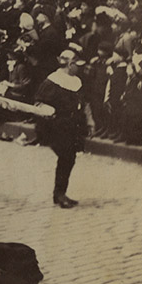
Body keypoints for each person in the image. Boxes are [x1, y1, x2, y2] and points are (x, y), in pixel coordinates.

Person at [34, 49, 87, 208]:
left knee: (69, 159)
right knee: (66, 157)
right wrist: (47, 111)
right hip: (56, 127)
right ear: (70, 65)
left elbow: (82, 104)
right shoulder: (52, 81)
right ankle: (59, 194)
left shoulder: (76, 81)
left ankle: (59, 193)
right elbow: (39, 102)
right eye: (76, 64)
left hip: (72, 126)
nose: (78, 68)